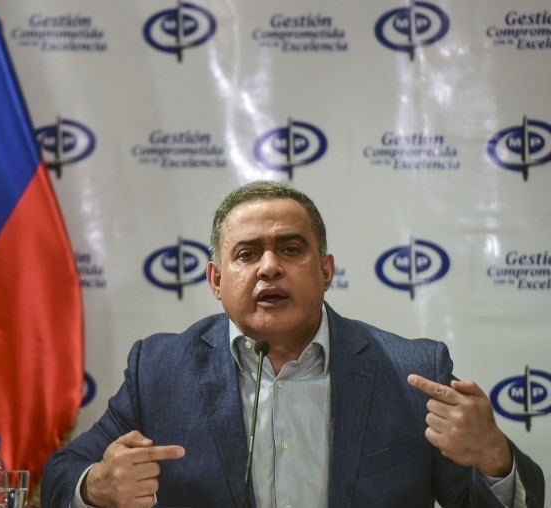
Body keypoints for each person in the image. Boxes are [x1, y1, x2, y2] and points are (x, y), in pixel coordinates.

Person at [41, 180, 545, 507]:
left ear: (325, 271)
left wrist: (494, 458)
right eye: (247, 254)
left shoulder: (412, 370)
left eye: (290, 248)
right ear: (216, 280)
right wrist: (98, 486)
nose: (269, 267)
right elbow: (62, 473)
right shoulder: (159, 368)